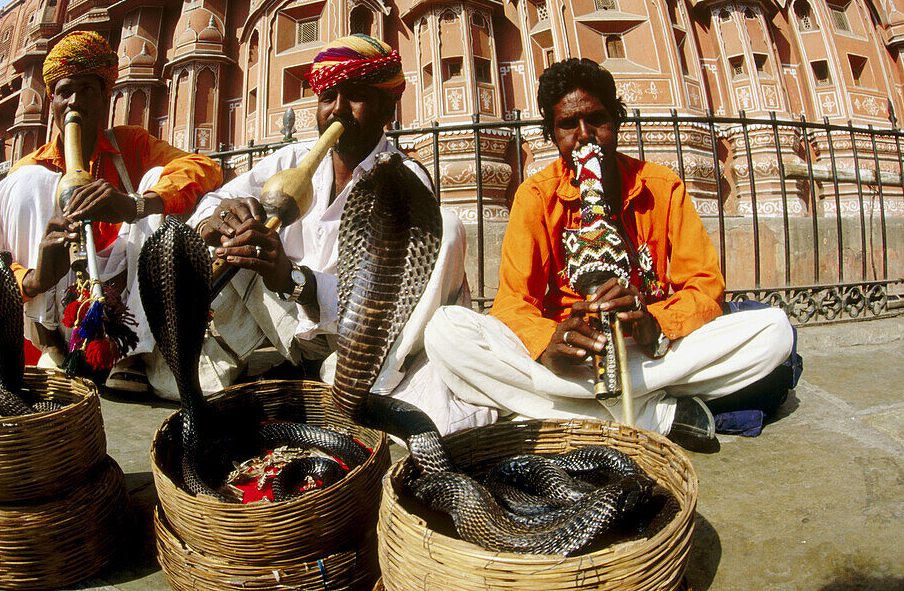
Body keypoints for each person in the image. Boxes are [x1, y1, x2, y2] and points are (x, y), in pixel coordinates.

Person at [424, 58, 798, 450]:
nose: (584, 136)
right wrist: (547, 344)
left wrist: (656, 320)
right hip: (573, 357)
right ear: (553, 135)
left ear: (615, 121)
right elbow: (513, 303)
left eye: (596, 119)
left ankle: (567, 414)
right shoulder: (536, 196)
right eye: (568, 125)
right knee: (446, 332)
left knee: (773, 331)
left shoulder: (661, 187)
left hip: (649, 348)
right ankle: (659, 415)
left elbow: (705, 287)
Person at [181, 34, 495, 435]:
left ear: (388, 107)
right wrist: (217, 218)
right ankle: (215, 371)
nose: (337, 110)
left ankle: (346, 385)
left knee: (448, 226)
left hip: (357, 342)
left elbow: (390, 297)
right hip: (287, 325)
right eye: (328, 96)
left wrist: (294, 280)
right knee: (230, 237)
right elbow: (214, 200)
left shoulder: (403, 181)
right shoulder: (291, 159)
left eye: (356, 96)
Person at [0, 30, 223, 392]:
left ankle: (133, 357)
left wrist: (134, 204)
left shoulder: (131, 144)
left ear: (106, 96)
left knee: (158, 179)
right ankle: (54, 346)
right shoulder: (31, 166)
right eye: (64, 92)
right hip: (60, 299)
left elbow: (205, 167)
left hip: (126, 302)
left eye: (88, 90)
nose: (75, 101)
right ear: (52, 102)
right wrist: (36, 278)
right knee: (28, 183)